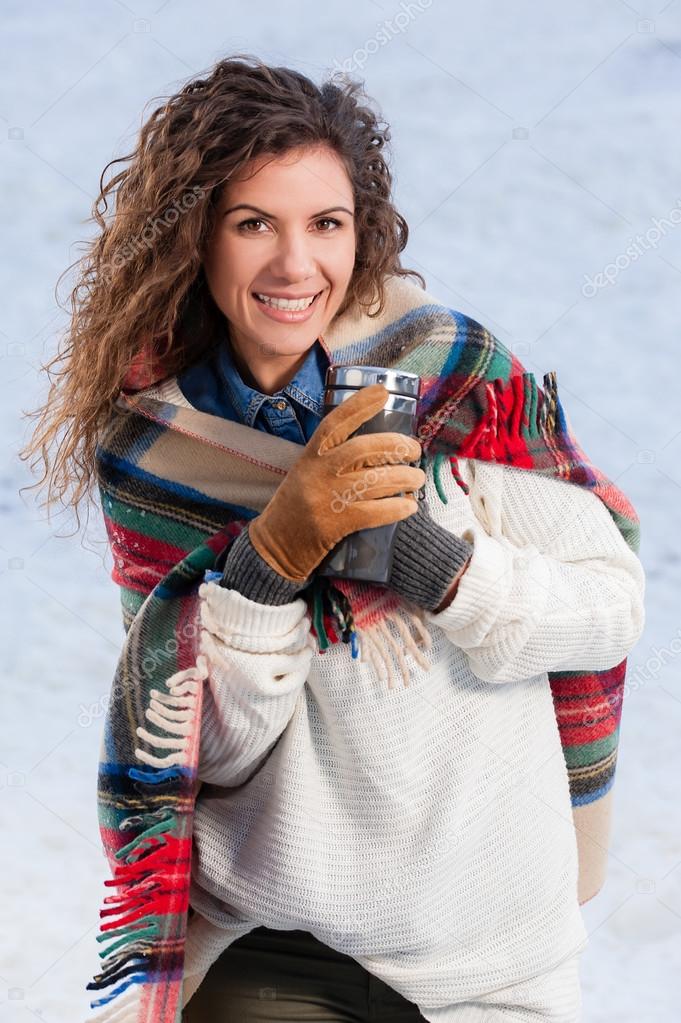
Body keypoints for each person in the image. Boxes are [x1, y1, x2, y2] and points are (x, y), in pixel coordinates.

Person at [20, 55, 645, 1023]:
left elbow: (611, 609)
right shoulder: (156, 453)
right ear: (197, 239)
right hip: (274, 945)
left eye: (326, 224)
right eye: (252, 223)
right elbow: (205, 750)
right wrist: (272, 559)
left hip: (491, 960)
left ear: (363, 235)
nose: (293, 264)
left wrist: (439, 566)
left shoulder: (451, 382)